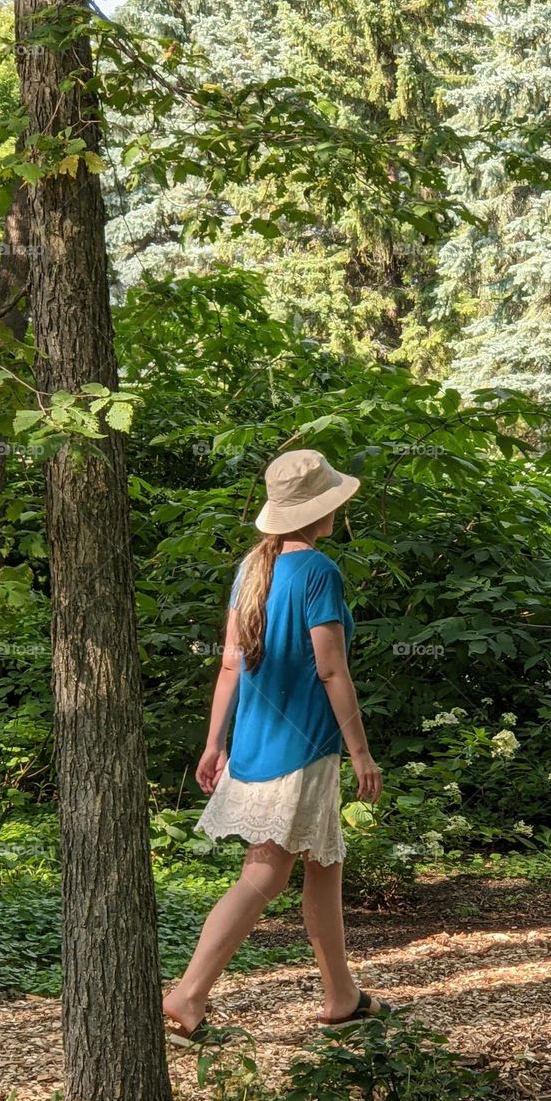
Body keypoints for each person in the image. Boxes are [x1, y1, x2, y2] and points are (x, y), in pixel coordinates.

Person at [162, 448, 389, 1046]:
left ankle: (340, 994)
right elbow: (332, 670)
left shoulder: (251, 568)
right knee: (264, 874)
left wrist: (214, 742)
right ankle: (187, 996)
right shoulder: (318, 572)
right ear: (320, 509)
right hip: (304, 748)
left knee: (325, 863)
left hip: (257, 744)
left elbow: (230, 665)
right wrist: (360, 750)